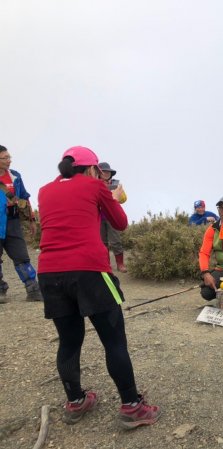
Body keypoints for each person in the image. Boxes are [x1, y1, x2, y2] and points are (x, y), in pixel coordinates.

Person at [37, 146, 161, 427]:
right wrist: (113, 198)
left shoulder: (45, 191)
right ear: (93, 169)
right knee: (113, 339)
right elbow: (121, 223)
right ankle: (132, 406)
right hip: (89, 270)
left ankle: (76, 402)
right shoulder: (96, 186)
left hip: (49, 273)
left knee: (69, 341)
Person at [0, 144, 42, 300]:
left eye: (9, 157)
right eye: (5, 158)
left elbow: (24, 197)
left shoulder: (15, 176)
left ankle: (33, 290)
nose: (9, 161)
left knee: (21, 256)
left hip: (13, 221)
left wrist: (31, 219)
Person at [98, 162, 128, 272]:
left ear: (111, 173)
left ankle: (120, 264)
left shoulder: (116, 184)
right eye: (103, 171)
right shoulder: (94, 184)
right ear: (99, 173)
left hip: (112, 217)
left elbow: (124, 199)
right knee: (102, 242)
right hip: (98, 218)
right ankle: (106, 265)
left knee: (115, 241)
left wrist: (119, 196)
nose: (106, 173)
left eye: (108, 172)